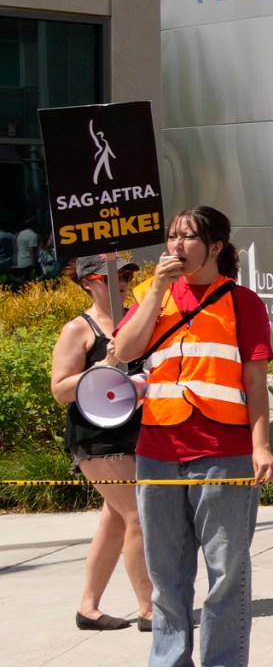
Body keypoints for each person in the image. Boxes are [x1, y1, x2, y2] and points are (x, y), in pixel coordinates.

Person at [109, 206, 273, 667]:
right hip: (158, 450)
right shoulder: (150, 297)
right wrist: (157, 292)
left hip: (223, 450)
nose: (178, 245)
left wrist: (261, 445)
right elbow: (122, 351)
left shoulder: (242, 302)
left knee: (226, 569)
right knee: (167, 574)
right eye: (173, 236)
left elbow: (254, 385)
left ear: (217, 247)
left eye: (190, 237)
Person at [51, 251, 148, 631]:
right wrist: (104, 365)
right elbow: (60, 390)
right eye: (112, 277)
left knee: (115, 520)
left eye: (125, 275)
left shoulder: (136, 319)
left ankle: (88, 608)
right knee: (137, 513)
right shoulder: (79, 328)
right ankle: (150, 607)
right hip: (97, 436)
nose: (122, 282)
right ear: (90, 283)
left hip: (137, 429)